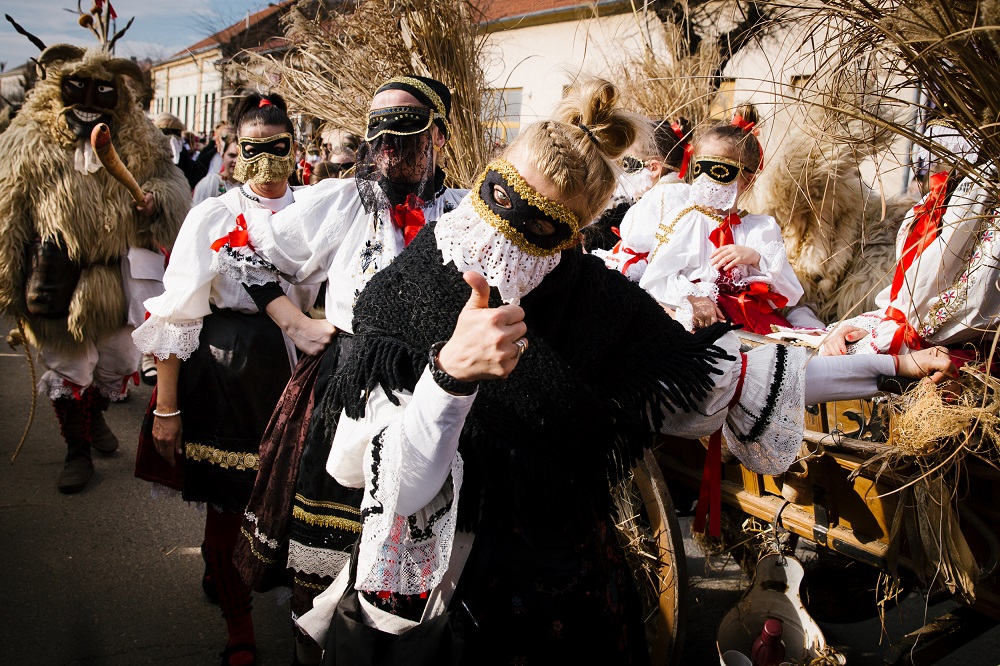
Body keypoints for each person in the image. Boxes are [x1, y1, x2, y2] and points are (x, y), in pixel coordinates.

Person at [292, 78, 956, 664]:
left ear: (578, 232)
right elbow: (399, 491)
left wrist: (892, 363)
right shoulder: (401, 294)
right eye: (499, 199)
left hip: (559, 586)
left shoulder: (596, 304)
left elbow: (725, 373)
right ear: (488, 175)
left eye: (540, 226)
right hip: (432, 591)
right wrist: (448, 376)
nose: (501, 239)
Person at [211, 75, 466, 664]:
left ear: (439, 136)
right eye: (377, 129)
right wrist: (293, 323)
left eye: (404, 131)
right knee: (331, 547)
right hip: (350, 384)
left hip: (439, 386)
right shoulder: (341, 199)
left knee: (419, 551)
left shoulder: (462, 212)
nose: (386, 145)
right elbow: (247, 249)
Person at [132, 93, 318, 666]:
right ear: (233, 153)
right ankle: (240, 628)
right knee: (229, 509)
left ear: (295, 149)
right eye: (250, 149)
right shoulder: (214, 214)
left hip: (305, 367)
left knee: (297, 505)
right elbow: (177, 310)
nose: (264, 163)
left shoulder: (317, 209)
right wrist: (167, 408)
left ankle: (292, 613)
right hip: (228, 369)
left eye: (277, 148)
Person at [0, 17, 189, 493]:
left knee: (116, 363)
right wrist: (7, 283)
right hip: (53, 271)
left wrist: (155, 200)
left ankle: (95, 418)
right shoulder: (30, 136)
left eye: (101, 91)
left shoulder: (137, 134)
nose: (87, 103)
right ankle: (76, 449)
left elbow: (170, 179)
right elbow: (9, 210)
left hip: (115, 275)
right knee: (70, 366)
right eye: (77, 90)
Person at [819, 122, 1000, 358]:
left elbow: (954, 313)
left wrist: (877, 335)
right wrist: (862, 326)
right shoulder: (928, 207)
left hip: (950, 355)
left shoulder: (980, 212)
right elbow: (902, 301)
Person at [640, 104, 805, 334]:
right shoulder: (684, 220)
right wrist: (693, 297)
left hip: (752, 324)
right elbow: (654, 279)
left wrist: (756, 258)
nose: (706, 180)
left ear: (746, 180)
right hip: (701, 323)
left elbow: (791, 293)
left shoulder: (761, 228)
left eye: (718, 171)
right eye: (700, 169)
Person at [597, 117, 694, 281]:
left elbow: (634, 238)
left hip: (649, 277)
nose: (624, 173)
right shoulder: (688, 193)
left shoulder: (657, 199)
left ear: (654, 168)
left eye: (628, 164)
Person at [192, 132, 240, 204]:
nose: (236, 161)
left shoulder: (251, 186)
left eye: (241, 157)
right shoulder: (209, 183)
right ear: (223, 156)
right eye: (232, 155)